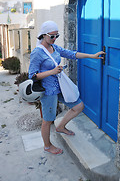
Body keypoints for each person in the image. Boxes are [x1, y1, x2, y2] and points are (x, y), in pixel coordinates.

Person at [29, 20, 104, 155]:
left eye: (56, 36)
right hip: (48, 91)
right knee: (48, 120)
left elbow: (72, 54)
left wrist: (91, 56)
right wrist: (52, 72)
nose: (54, 39)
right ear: (43, 35)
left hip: (60, 86)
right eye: (52, 36)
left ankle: (61, 126)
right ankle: (47, 146)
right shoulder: (37, 52)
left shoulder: (54, 48)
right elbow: (32, 75)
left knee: (78, 106)